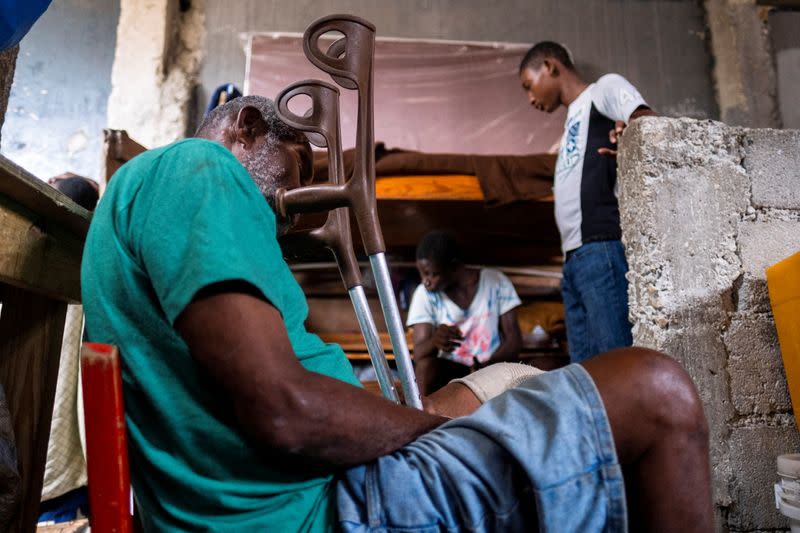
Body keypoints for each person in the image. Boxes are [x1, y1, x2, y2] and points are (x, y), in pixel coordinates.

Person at [81, 95, 711, 532]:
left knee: (510, 385)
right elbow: (286, 409)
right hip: (312, 510)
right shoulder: (199, 167)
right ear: (244, 127)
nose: (286, 208)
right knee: (657, 389)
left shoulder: (148, 201)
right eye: (289, 175)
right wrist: (437, 432)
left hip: (283, 493)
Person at [519, 42, 657, 363]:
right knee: (586, 374)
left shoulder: (602, 91)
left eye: (529, 85)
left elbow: (647, 122)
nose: (530, 98)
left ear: (551, 66)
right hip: (574, 260)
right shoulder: (572, 121)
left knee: (616, 365)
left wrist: (629, 133)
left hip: (601, 249)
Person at [407, 230, 523, 394]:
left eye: (432, 274)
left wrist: (487, 367)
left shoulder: (495, 281)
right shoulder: (424, 294)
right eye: (421, 272)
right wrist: (435, 341)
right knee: (425, 368)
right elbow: (419, 354)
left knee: (548, 366)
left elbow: (514, 340)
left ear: (453, 266)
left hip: (493, 367)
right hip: (452, 372)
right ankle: (422, 417)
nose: (425, 281)